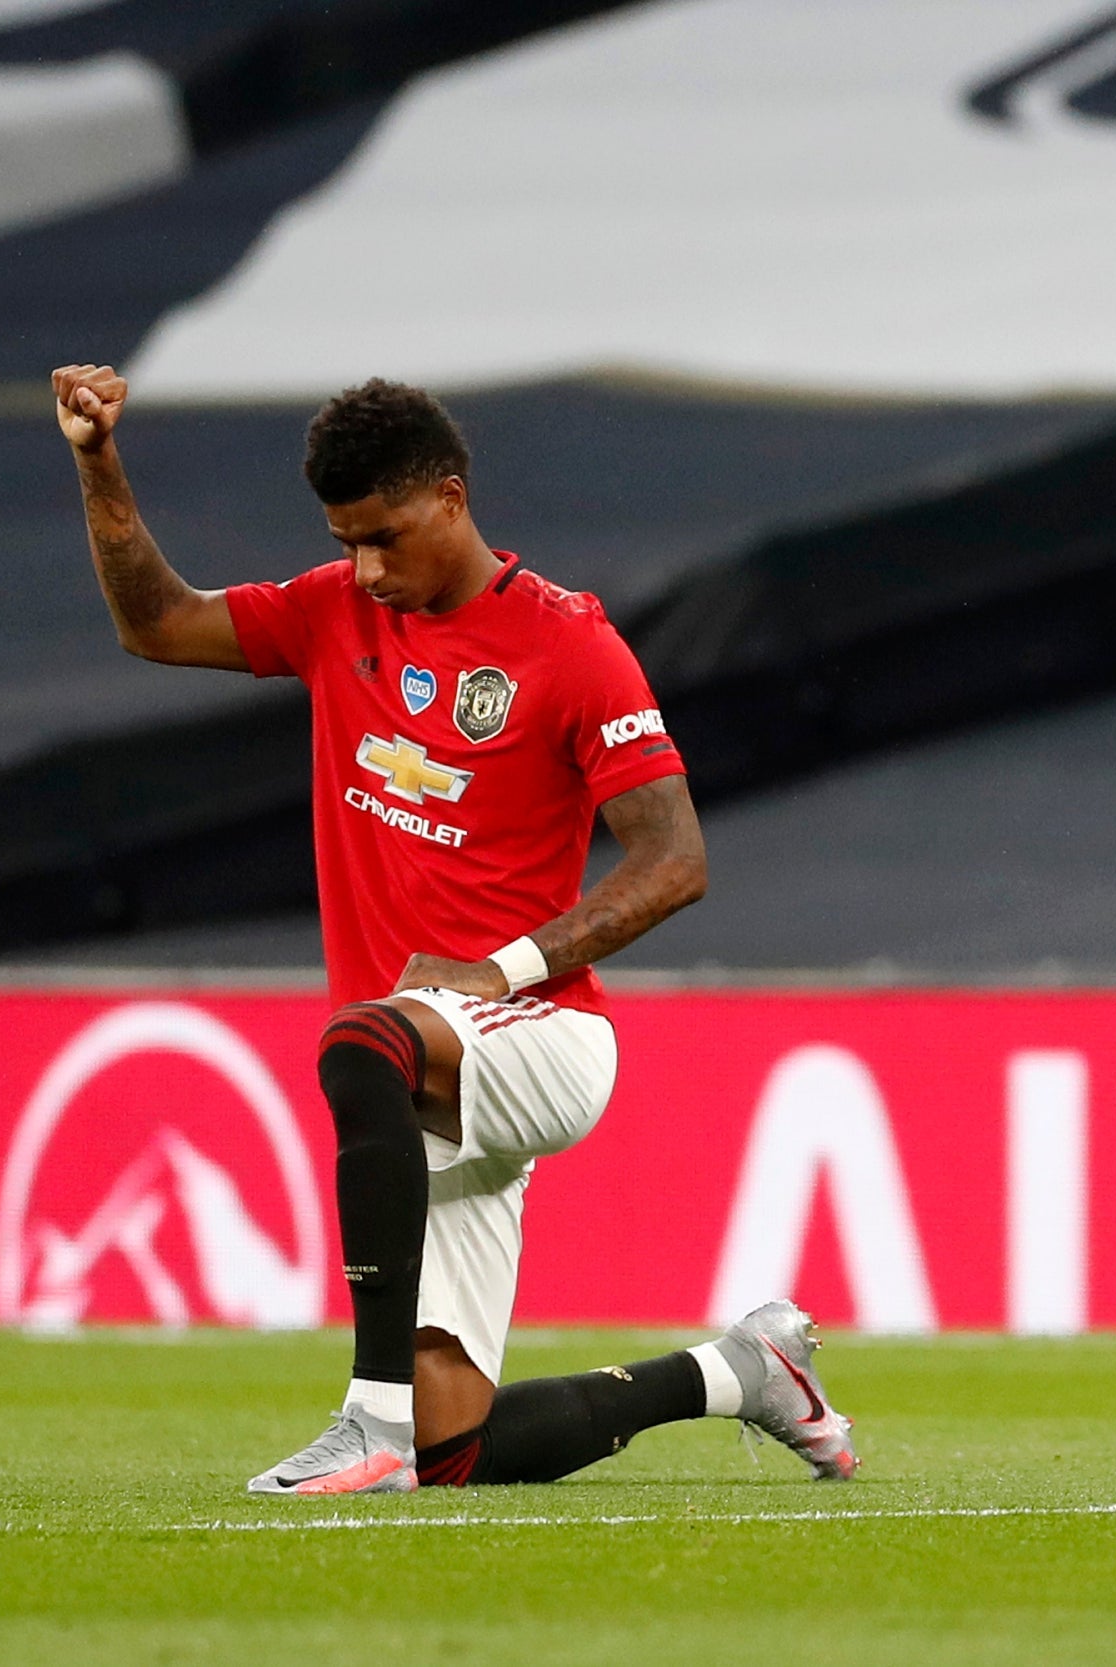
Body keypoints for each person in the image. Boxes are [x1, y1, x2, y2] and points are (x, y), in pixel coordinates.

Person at [53, 363, 856, 1493]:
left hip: (538, 1034)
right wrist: (98, 462)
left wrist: (501, 967)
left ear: (449, 497)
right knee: (461, 1451)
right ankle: (742, 1368)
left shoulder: (569, 645)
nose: (366, 569)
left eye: (382, 537)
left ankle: (367, 1419)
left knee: (357, 1041)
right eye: (346, 541)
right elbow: (156, 622)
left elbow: (675, 861)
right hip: (427, 1082)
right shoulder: (333, 610)